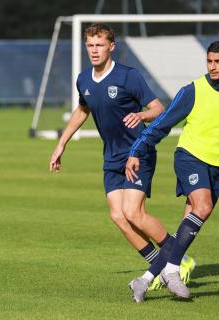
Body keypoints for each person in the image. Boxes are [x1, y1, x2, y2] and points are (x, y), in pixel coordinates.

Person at [49, 23, 195, 288]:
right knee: (118, 216)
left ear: (111, 47)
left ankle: (179, 260)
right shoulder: (83, 79)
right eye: (90, 45)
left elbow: (159, 108)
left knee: (133, 212)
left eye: (99, 45)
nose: (94, 50)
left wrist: (141, 114)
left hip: (138, 152)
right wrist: (62, 143)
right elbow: (83, 109)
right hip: (112, 157)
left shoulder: (129, 77)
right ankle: (159, 267)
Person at [126, 41, 219, 301]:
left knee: (184, 232)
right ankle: (173, 271)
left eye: (218, 62)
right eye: (209, 61)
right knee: (203, 207)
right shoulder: (193, 90)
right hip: (190, 157)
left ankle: (143, 280)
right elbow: (162, 124)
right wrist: (136, 151)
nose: (212, 66)